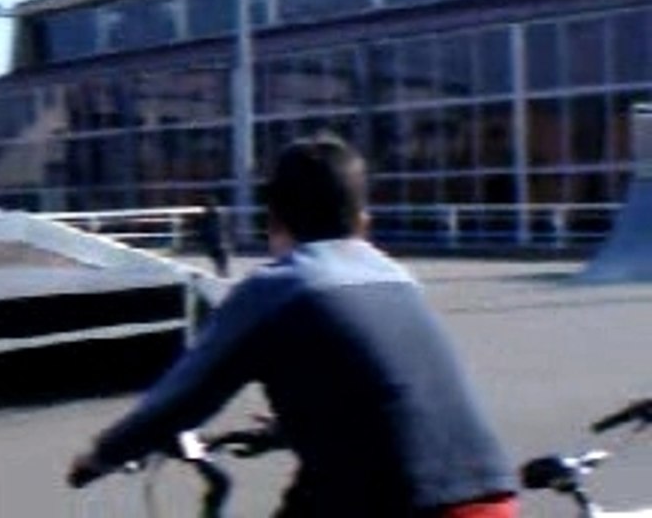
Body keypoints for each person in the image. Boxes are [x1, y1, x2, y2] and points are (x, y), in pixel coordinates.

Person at [68, 134, 518, 517]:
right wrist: (290, 428)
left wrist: (102, 455)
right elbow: (394, 392)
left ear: (274, 221)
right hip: (491, 495)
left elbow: (183, 398)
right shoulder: (398, 278)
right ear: (363, 221)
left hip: (397, 502)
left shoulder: (278, 288)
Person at [196, 196, 230, 278]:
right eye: (210, 206)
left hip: (218, 241)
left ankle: (222, 271)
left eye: (212, 206)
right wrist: (202, 241)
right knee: (219, 256)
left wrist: (225, 239)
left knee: (222, 255)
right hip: (212, 242)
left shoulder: (218, 216)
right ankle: (221, 271)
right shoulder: (205, 218)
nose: (211, 207)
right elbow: (201, 231)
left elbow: (224, 228)